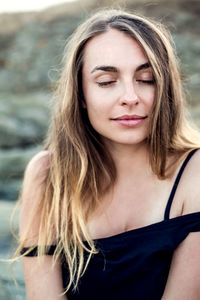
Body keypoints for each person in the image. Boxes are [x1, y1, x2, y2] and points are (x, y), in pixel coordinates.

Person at [14, 8, 200, 300]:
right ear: (81, 95)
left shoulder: (195, 173)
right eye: (106, 81)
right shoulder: (47, 176)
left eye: (147, 78)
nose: (130, 97)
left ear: (165, 88)